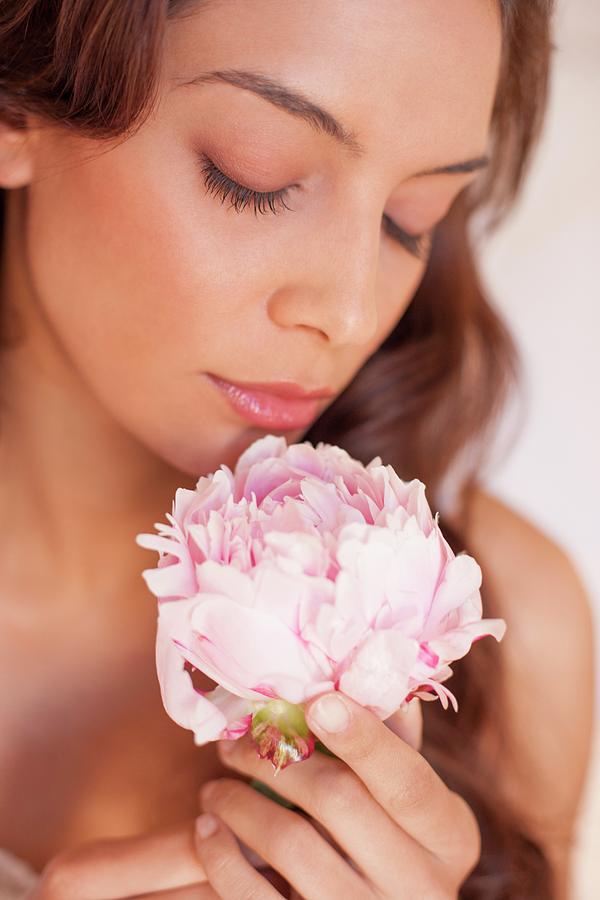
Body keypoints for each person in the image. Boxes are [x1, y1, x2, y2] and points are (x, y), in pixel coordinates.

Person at [0, 1, 594, 898]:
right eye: (255, 177)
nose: (350, 312)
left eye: (411, 218)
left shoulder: (511, 638)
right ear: (16, 110)